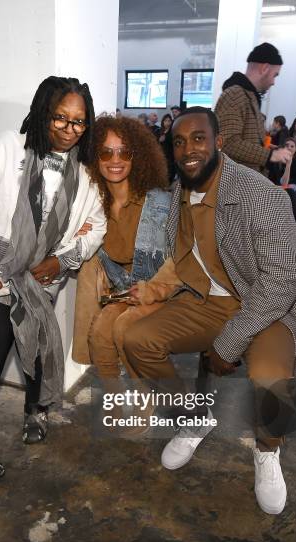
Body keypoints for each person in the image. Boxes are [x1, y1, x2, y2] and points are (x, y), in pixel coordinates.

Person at [121, 107, 296, 515]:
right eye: (179, 142)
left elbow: (281, 283)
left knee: (267, 376)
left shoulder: (262, 196)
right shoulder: (179, 192)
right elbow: (182, 260)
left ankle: (268, 449)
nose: (187, 149)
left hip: (268, 306)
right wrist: (153, 289)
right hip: (208, 302)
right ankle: (194, 417)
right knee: (135, 338)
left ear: (218, 142)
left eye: (198, 138)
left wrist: (228, 343)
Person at [0, 76, 107, 481]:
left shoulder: (85, 170)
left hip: (43, 276)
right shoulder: (7, 147)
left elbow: (96, 223)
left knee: (36, 342)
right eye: (60, 119)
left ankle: (35, 409)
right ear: (42, 114)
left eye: (79, 122)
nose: (70, 131)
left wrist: (62, 260)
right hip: (0, 271)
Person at [72, 116, 174, 379]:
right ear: (95, 158)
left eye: (123, 152)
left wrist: (152, 291)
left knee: (125, 330)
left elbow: (181, 262)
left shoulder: (161, 203)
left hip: (161, 296)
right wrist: (79, 236)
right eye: (106, 153)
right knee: (100, 334)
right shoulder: (92, 209)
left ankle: (143, 408)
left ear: (136, 156)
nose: (115, 160)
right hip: (123, 295)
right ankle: (114, 409)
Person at [215, 42, 292, 173]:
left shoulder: (249, 96)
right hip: (234, 185)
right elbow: (227, 143)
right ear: (264, 68)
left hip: (245, 183)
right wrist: (270, 155)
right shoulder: (235, 94)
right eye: (275, 75)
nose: (273, 82)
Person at [269, 137, 296, 239]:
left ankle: (290, 228)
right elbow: (281, 183)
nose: (289, 148)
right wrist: (287, 166)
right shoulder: (276, 161)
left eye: (292, 146)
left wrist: (289, 165)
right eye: (287, 145)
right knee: (287, 192)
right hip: (279, 191)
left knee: (290, 192)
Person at [158, 113, 175, 183]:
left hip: (170, 156)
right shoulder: (159, 131)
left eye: (169, 121)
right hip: (160, 155)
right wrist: (159, 140)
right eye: (166, 121)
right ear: (163, 122)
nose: (167, 123)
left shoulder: (173, 132)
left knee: (169, 172)